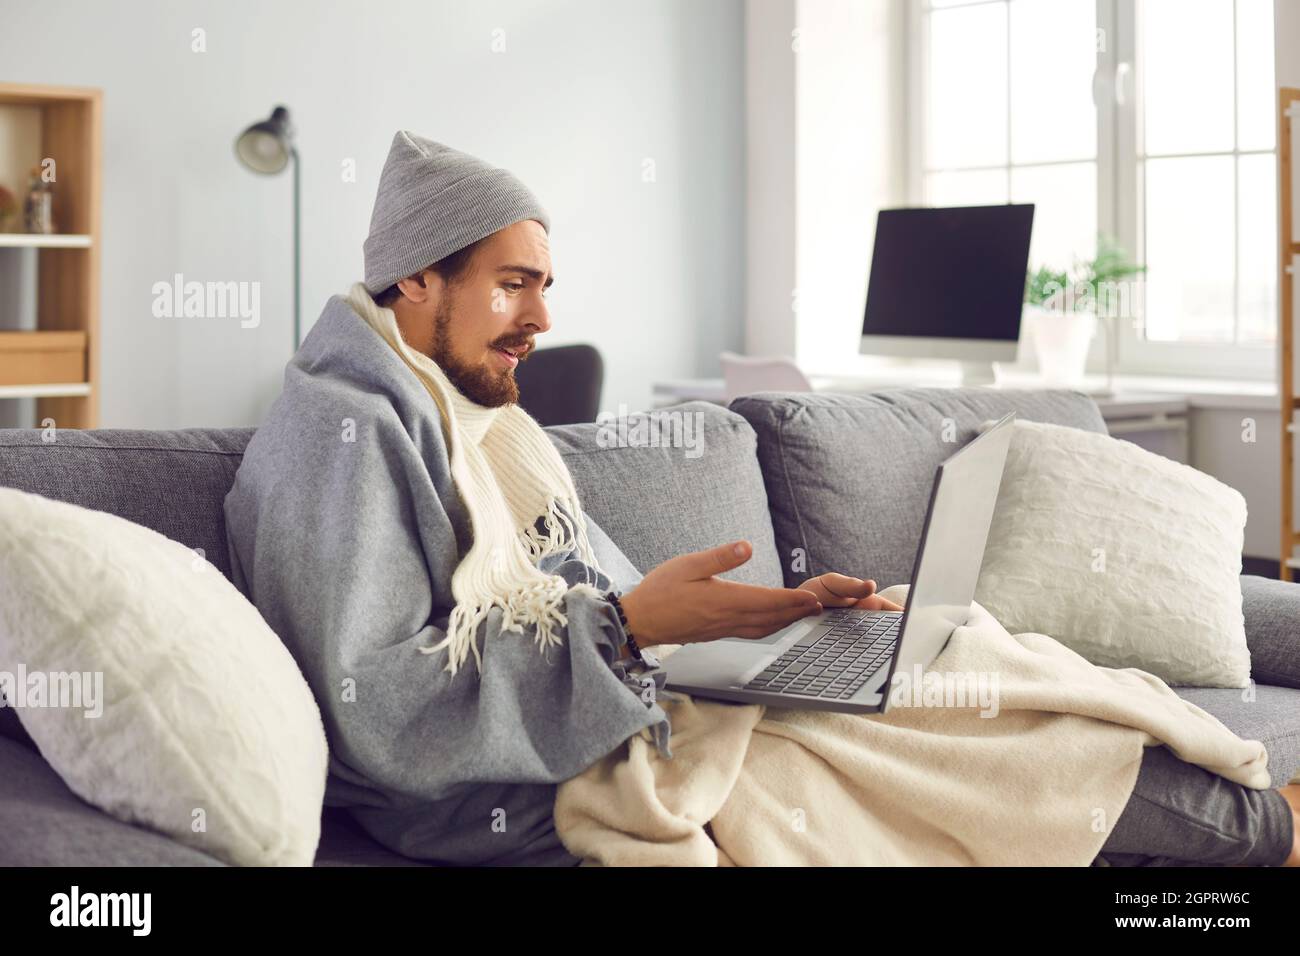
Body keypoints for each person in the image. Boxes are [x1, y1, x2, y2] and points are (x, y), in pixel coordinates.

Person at [224, 130, 1298, 867]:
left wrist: (763, 613)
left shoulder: (470, 419)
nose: (541, 318)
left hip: (607, 702)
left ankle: (1237, 801)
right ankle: (1260, 824)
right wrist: (633, 630)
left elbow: (597, 601)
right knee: (915, 727)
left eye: (546, 283)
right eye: (512, 282)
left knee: (944, 641)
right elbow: (384, 705)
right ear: (414, 280)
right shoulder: (344, 431)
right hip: (499, 785)